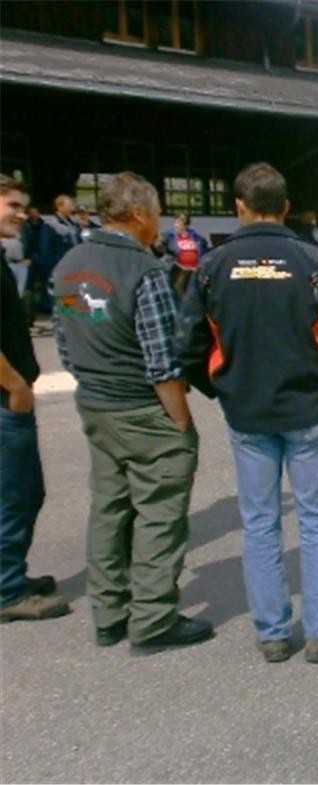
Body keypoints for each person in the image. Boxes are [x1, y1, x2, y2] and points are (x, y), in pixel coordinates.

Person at [175, 162, 318, 663]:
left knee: (259, 522)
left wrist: (220, 386)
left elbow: (187, 342)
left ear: (239, 207)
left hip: (247, 412)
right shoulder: (312, 260)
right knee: (316, 517)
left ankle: (274, 633)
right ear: (286, 207)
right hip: (306, 409)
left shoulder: (213, 266)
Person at [52, 171, 209, 651]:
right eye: (156, 213)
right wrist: (180, 422)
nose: (158, 222)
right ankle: (154, 618)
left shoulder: (69, 264)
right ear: (139, 213)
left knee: (109, 508)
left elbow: (65, 345)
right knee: (159, 512)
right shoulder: (145, 272)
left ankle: (109, 612)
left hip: (96, 403)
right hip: (141, 408)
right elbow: (163, 362)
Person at [0, 174, 69, 623]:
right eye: (11, 205)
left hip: (10, 395)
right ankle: (7, 590)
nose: (22, 214)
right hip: (6, 398)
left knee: (27, 491)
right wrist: (16, 386)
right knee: (13, 494)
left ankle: (11, 575)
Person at [33, 194, 79, 318]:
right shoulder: (50, 225)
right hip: (58, 266)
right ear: (59, 206)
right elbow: (45, 249)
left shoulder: (73, 224)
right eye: (69, 205)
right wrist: (55, 265)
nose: (72, 208)